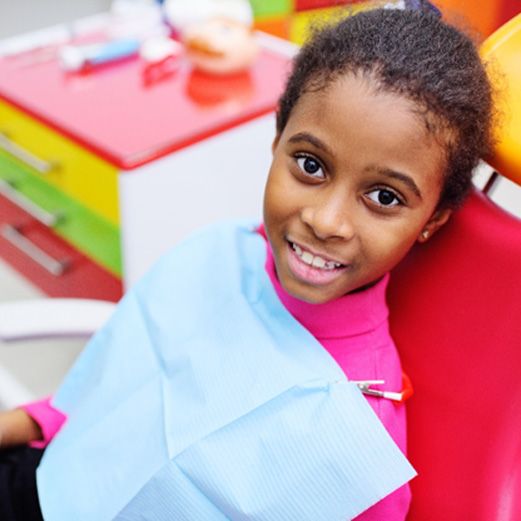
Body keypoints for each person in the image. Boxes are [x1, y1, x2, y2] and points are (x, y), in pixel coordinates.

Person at [0, 2, 495, 520]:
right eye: (310, 165)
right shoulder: (217, 256)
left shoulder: (357, 444)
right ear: (277, 139)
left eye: (385, 198)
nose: (326, 221)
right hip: (45, 477)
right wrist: (21, 424)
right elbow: (96, 399)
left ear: (432, 221)